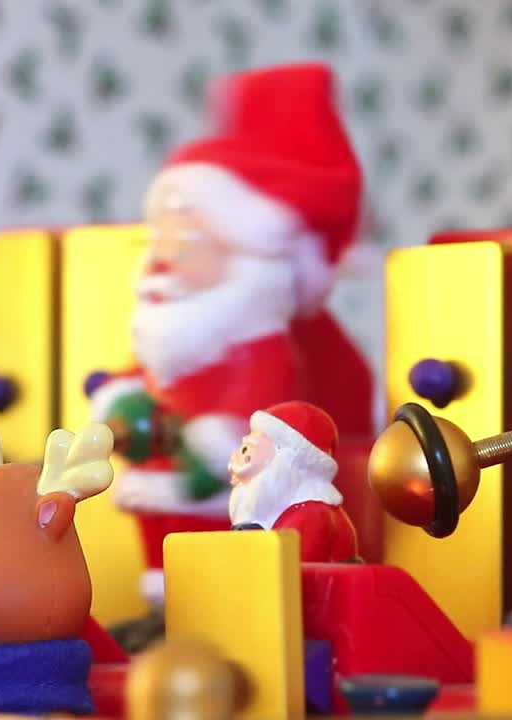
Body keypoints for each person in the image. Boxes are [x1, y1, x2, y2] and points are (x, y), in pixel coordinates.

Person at [88, 63, 362, 604]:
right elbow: (146, 373)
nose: (164, 257)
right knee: (162, 538)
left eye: (188, 242)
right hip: (166, 478)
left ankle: (207, 602)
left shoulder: (259, 345)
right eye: (159, 238)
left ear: (247, 255)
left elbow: (258, 410)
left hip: (225, 487)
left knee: (219, 551)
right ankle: (166, 599)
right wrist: (122, 394)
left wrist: (213, 442)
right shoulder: (173, 330)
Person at [227, 401, 358, 563]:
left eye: (247, 449)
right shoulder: (273, 508)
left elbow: (286, 566)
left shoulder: (313, 514)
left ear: (286, 457)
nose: (238, 458)